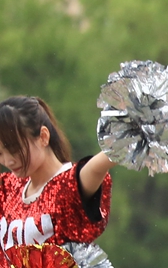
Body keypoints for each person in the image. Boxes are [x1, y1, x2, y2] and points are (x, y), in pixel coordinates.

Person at [0, 96, 113, 250]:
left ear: (43, 137)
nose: (8, 161)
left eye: (14, 150)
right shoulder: (6, 188)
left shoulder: (70, 183)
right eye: (0, 154)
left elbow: (110, 155)